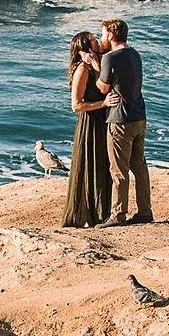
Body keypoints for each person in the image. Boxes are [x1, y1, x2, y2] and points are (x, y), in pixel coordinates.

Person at [96, 16, 153, 224]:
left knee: (118, 170)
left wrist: (95, 64)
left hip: (120, 119)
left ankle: (118, 214)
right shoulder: (134, 54)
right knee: (139, 165)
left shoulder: (109, 58)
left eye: (103, 34)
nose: (101, 37)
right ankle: (145, 211)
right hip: (139, 115)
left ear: (111, 35)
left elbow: (102, 87)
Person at [61, 30, 113, 228]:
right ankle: (88, 214)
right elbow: (76, 105)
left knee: (102, 165)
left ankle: (102, 213)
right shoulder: (82, 70)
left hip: (102, 120)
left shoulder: (95, 66)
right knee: (91, 165)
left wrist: (97, 65)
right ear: (85, 48)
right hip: (90, 122)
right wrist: (103, 104)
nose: (97, 41)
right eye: (93, 40)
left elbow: (104, 87)